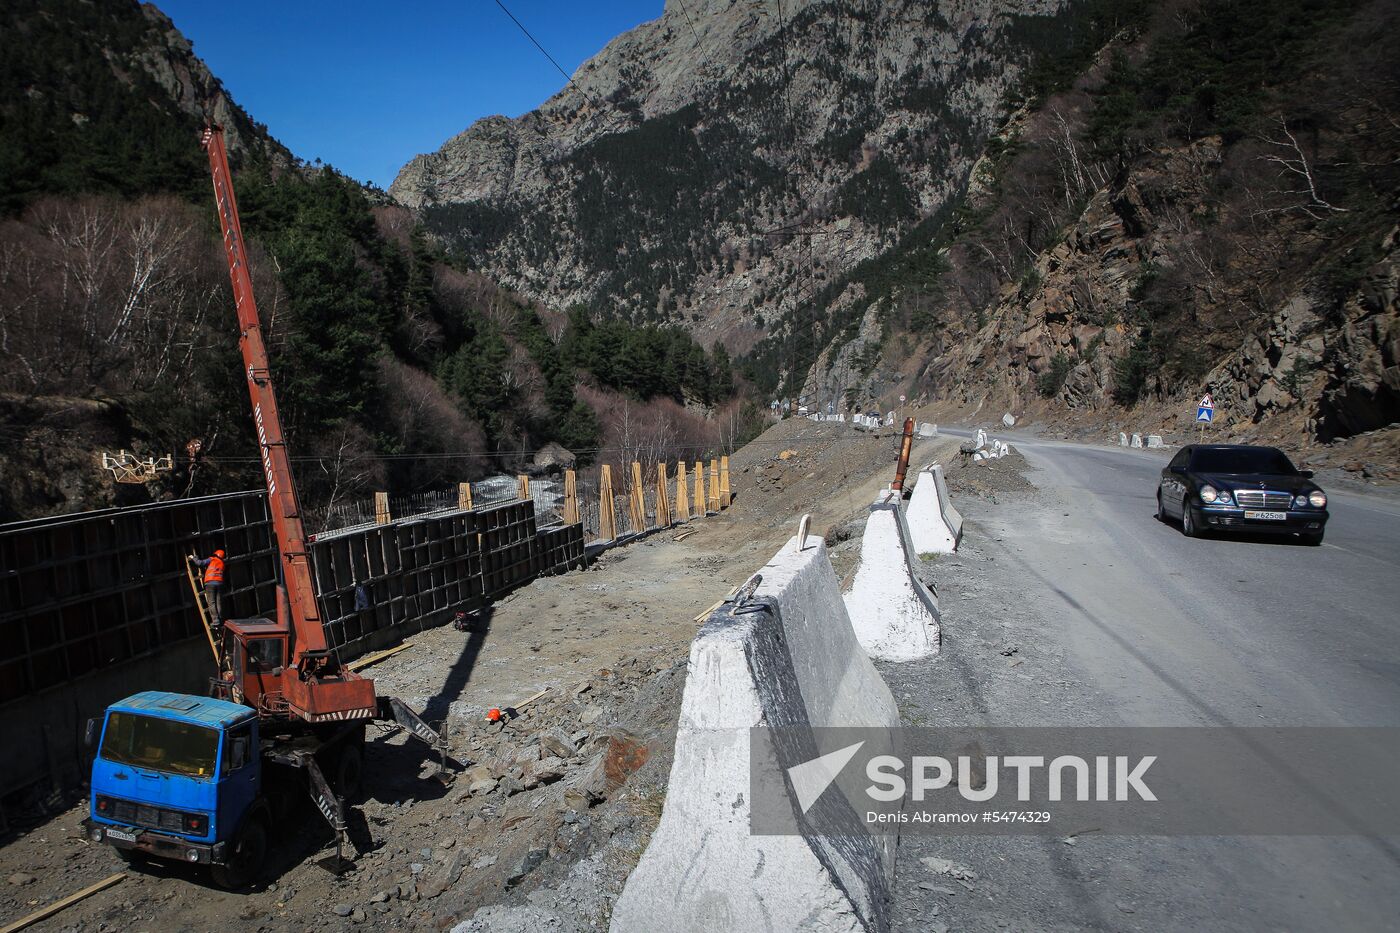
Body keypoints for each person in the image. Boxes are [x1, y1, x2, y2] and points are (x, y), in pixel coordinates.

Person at [193, 548, 227, 627]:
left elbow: (200, 563)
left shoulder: (212, 559)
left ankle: (215, 621)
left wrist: (195, 558)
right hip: (219, 583)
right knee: (218, 602)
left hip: (210, 583)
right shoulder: (222, 563)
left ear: (215, 554)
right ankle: (220, 619)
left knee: (211, 602)